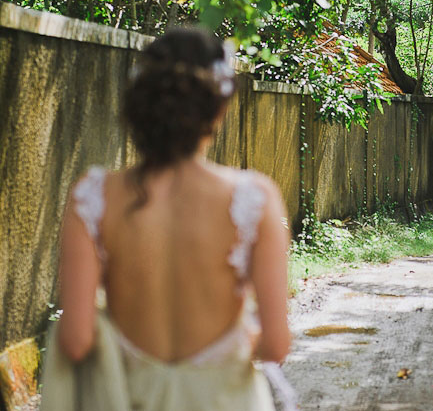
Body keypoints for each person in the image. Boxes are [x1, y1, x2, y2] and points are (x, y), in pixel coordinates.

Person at [40, 28, 293, 411]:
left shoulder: (93, 198)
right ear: (219, 109)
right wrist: (238, 342)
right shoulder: (254, 199)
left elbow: (75, 342)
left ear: (139, 106)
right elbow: (275, 346)